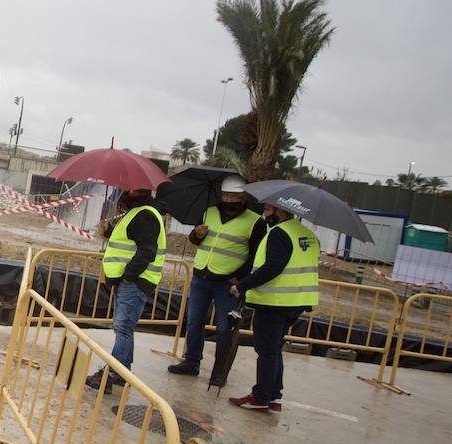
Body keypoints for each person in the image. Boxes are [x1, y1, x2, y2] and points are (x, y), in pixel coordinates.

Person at [167, 175, 265, 376]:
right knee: (194, 321)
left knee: (224, 329)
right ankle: (192, 361)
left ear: (243, 197)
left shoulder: (255, 222)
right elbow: (196, 240)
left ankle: (219, 371)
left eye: (234, 196)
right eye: (226, 195)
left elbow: (256, 254)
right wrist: (197, 235)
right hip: (201, 276)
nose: (229, 200)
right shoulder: (209, 212)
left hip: (227, 283)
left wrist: (240, 278)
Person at [227, 204, 320, 412]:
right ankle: (274, 395)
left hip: (275, 301)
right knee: (275, 349)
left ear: (280, 210)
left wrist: (241, 286)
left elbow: (272, 268)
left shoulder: (279, 233)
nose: (265, 214)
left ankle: (260, 397)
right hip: (296, 302)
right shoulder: (306, 234)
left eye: (268, 210)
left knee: (267, 351)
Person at [87, 187, 166, 389]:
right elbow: (129, 240)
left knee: (122, 327)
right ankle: (123, 371)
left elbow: (146, 251)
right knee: (125, 328)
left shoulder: (145, 215)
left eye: (134, 189)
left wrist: (129, 278)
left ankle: (112, 373)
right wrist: (108, 233)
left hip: (135, 281)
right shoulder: (138, 213)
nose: (129, 192)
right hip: (130, 280)